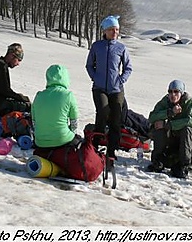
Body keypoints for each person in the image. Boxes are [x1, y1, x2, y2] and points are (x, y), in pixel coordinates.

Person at [85, 15, 132, 162]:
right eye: (112, 29)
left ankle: (111, 151)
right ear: (105, 30)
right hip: (99, 88)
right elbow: (89, 65)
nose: (115, 32)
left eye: (117, 29)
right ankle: (96, 147)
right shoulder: (96, 46)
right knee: (103, 113)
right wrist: (94, 77)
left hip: (116, 89)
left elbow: (128, 67)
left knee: (115, 121)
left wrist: (121, 79)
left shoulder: (121, 48)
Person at [147, 79, 192, 179]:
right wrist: (169, 112)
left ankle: (184, 165)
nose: (172, 94)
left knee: (187, 129)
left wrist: (169, 125)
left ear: (181, 93)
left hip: (186, 139)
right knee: (158, 125)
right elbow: (152, 117)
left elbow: (191, 121)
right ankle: (157, 160)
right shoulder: (165, 102)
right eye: (170, 92)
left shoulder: (190, 103)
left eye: (176, 92)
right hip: (171, 137)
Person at [32, 64, 81, 149]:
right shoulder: (68, 95)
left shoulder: (39, 95)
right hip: (62, 139)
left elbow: (34, 122)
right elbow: (74, 122)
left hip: (40, 142)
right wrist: (72, 133)